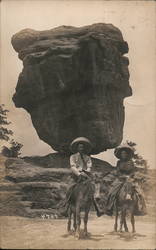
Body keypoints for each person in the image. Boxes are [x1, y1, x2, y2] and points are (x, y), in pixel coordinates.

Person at [59, 137, 104, 217]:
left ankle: (98, 208)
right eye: (79, 147)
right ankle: (65, 206)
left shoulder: (87, 157)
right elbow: (72, 166)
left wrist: (86, 172)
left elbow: (89, 166)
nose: (81, 148)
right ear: (77, 148)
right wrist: (79, 174)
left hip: (86, 175)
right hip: (76, 176)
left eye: (82, 147)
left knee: (92, 189)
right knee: (70, 188)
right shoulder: (72, 156)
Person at [105, 144, 147, 216]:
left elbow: (133, 171)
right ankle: (109, 208)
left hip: (130, 179)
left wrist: (130, 176)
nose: (123, 155)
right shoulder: (119, 162)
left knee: (140, 193)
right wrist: (121, 176)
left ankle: (140, 209)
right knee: (112, 192)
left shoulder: (131, 162)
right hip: (120, 179)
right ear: (120, 155)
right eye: (122, 154)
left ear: (127, 154)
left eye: (125, 153)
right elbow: (117, 171)